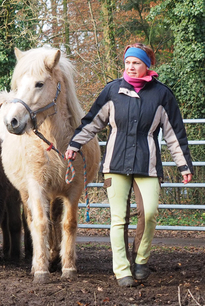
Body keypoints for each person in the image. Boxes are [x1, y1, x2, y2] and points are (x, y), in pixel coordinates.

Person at [65, 43, 193, 287]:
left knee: (150, 213)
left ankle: (141, 260)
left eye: (136, 63)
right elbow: (92, 122)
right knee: (118, 218)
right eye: (127, 63)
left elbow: (174, 133)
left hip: (148, 165)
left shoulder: (161, 95)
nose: (131, 67)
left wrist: (184, 165)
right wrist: (74, 145)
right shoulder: (112, 91)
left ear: (147, 65)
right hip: (116, 163)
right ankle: (122, 269)